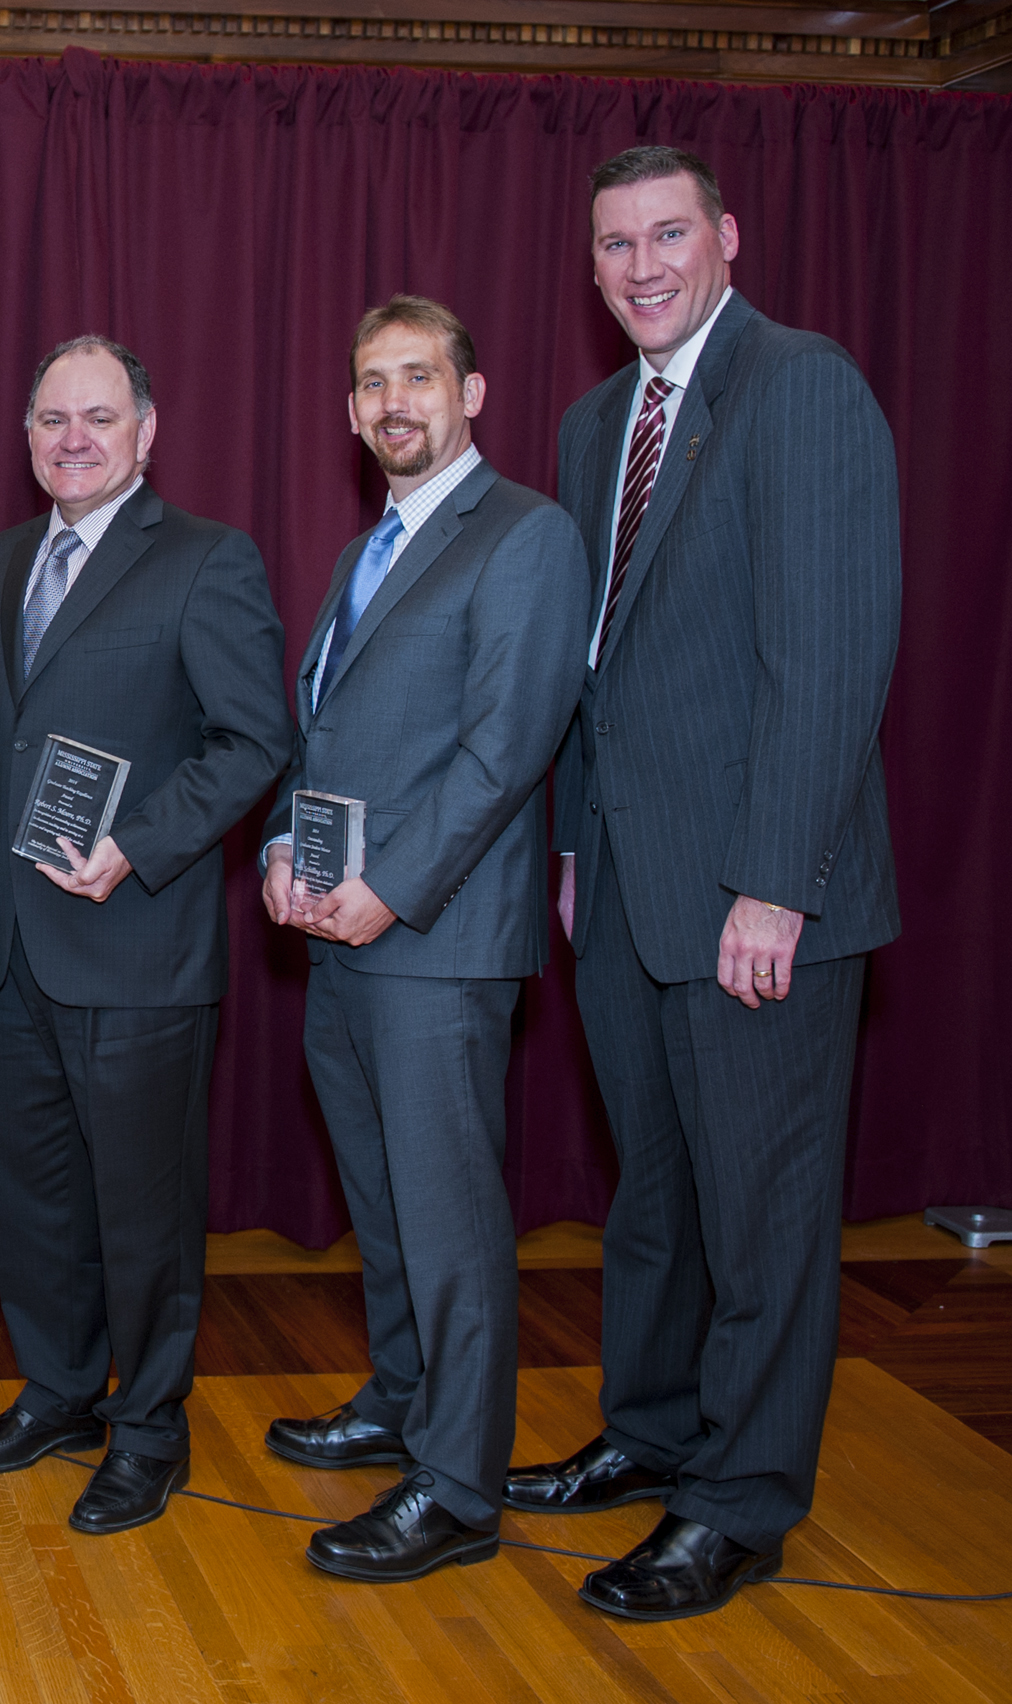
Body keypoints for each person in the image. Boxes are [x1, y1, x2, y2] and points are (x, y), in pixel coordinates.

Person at [511, 145, 901, 1622]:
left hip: (754, 899)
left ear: (728, 236)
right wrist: (565, 847)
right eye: (615, 244)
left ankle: (737, 1505)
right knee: (657, 1198)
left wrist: (775, 885)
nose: (643, 265)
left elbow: (832, 659)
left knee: (764, 1215)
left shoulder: (801, 386)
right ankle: (656, 1431)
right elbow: (590, 668)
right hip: (618, 884)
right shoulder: (595, 418)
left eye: (669, 234)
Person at [256, 297, 585, 1580]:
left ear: (472, 392)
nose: (395, 401)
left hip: (434, 940)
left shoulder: (524, 536)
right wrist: (287, 845)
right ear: (349, 411)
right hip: (340, 935)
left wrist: (387, 889)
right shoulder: (366, 551)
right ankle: (401, 1398)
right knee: (385, 1204)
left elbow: (506, 749)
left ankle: (455, 1488)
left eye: (419, 378)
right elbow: (325, 739)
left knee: (450, 1222)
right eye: (372, 383)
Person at [0, 336, 292, 1535]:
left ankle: (148, 1427)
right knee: (32, 1204)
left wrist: (138, 844)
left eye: (98, 418)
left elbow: (253, 741)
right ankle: (57, 1393)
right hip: (12, 953)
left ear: (146, 431)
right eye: (51, 420)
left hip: (136, 945)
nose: (72, 439)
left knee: (142, 1213)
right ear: (27, 435)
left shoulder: (205, 560)